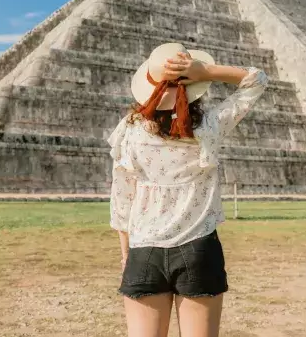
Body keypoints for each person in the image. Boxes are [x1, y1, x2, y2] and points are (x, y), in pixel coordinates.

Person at [108, 42, 268, 337]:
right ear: (195, 88)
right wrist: (205, 70)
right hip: (199, 248)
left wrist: (126, 256)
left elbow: (121, 204)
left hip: (144, 250)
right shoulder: (208, 127)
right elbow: (256, 79)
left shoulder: (129, 132)